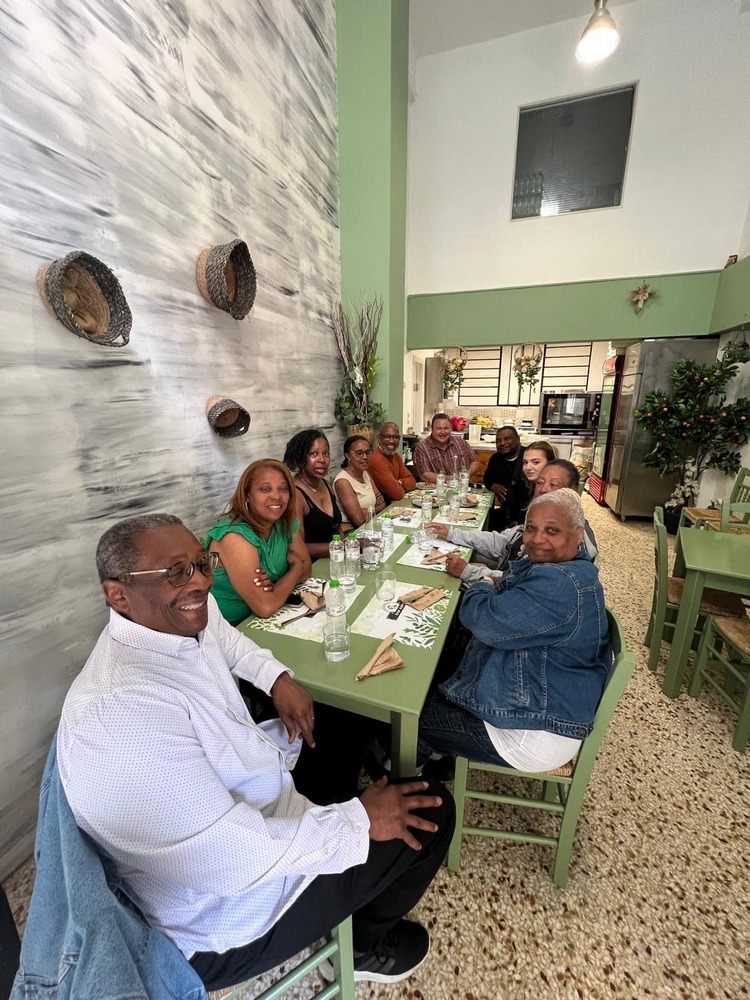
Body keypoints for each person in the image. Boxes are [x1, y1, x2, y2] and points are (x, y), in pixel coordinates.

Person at [57, 514, 455, 991]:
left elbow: (228, 640)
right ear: (117, 594)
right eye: (176, 571)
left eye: (202, 564)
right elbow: (230, 860)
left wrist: (277, 678)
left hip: (255, 807)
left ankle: (341, 846)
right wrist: (358, 822)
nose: (201, 581)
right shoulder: (120, 715)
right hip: (227, 914)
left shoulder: (179, 618)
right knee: (432, 811)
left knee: (345, 718)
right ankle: (363, 948)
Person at [418, 490, 611, 773]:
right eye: (531, 528)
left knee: (417, 716)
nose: (537, 539)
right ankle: (439, 757)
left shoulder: (560, 584)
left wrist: (483, 583)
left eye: (552, 531)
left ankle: (408, 776)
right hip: (545, 699)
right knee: (443, 672)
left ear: (578, 535)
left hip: (533, 731)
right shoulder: (566, 568)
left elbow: (482, 620)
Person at [430, 461, 597, 584]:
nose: (543, 489)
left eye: (553, 485)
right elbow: (501, 541)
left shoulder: (565, 540)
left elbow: (519, 582)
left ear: (572, 491)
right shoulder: (547, 519)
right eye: (540, 483)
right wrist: (451, 534)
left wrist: (470, 571)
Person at [204, 460, 312, 624]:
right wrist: (296, 568)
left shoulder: (283, 523)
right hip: (231, 626)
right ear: (247, 495)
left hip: (269, 616)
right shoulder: (235, 537)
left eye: (283, 489)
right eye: (265, 489)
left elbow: (307, 567)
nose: (276, 496)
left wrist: (275, 589)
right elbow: (265, 606)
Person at [283, 428, 343, 560]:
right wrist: (341, 547)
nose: (322, 459)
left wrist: (348, 549)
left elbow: (337, 528)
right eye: (313, 454)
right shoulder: (295, 495)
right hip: (310, 565)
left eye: (326, 453)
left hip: (335, 559)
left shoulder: (326, 484)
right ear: (299, 459)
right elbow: (298, 547)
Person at [333, 435, 387, 528]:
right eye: (359, 453)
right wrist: (375, 508)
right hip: (352, 531)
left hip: (370, 525)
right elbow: (359, 520)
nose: (365, 457)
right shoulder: (343, 482)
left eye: (367, 452)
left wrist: (367, 510)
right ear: (348, 456)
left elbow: (383, 504)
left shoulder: (365, 474)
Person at [413, 413, 478, 485]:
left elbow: (474, 462)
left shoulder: (461, 443)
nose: (443, 432)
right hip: (436, 489)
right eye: (439, 428)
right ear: (432, 429)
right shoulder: (422, 448)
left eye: (446, 428)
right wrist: (450, 479)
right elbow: (424, 474)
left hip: (463, 487)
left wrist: (466, 475)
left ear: (451, 428)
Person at [505, 439, 557, 526]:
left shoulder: (551, 494)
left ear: (550, 463)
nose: (528, 467)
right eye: (525, 462)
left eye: (535, 462)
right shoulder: (531, 487)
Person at [483, 426, 525, 530]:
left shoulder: (528, 457)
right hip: (507, 512)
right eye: (498, 441)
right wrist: (493, 486)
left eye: (507, 439)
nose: (502, 443)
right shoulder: (496, 458)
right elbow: (487, 477)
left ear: (518, 439)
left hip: (526, 514)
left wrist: (521, 521)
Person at [369, 422, 417, 502]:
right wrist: (399, 485)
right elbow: (397, 493)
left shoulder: (396, 456)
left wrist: (399, 482)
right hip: (383, 506)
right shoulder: (376, 459)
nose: (392, 441)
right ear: (379, 438)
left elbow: (412, 482)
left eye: (395, 437)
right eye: (387, 437)